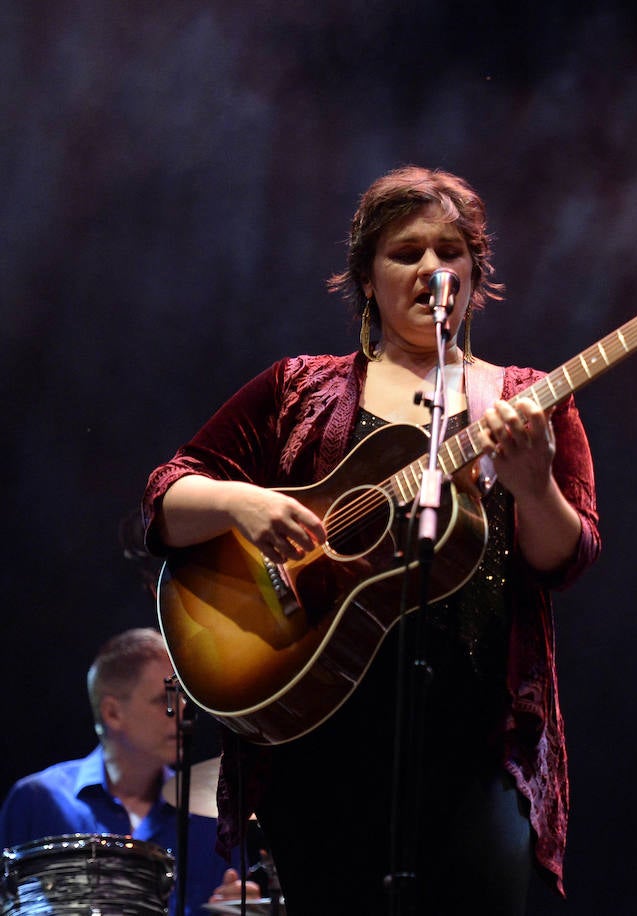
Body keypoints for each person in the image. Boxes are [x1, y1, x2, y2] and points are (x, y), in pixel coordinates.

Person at [141, 165, 601, 914]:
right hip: (320, 734)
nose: (431, 268)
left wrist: (533, 486)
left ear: (475, 273)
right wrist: (241, 504)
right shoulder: (299, 388)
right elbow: (165, 497)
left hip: (473, 741)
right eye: (406, 252)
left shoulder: (523, 400)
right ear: (366, 276)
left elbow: (565, 558)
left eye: (450, 250)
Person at [0, 627, 257, 915]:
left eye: (183, 697)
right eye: (164, 699)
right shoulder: (37, 800)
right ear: (112, 713)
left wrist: (239, 906)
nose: (183, 710)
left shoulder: (210, 817)